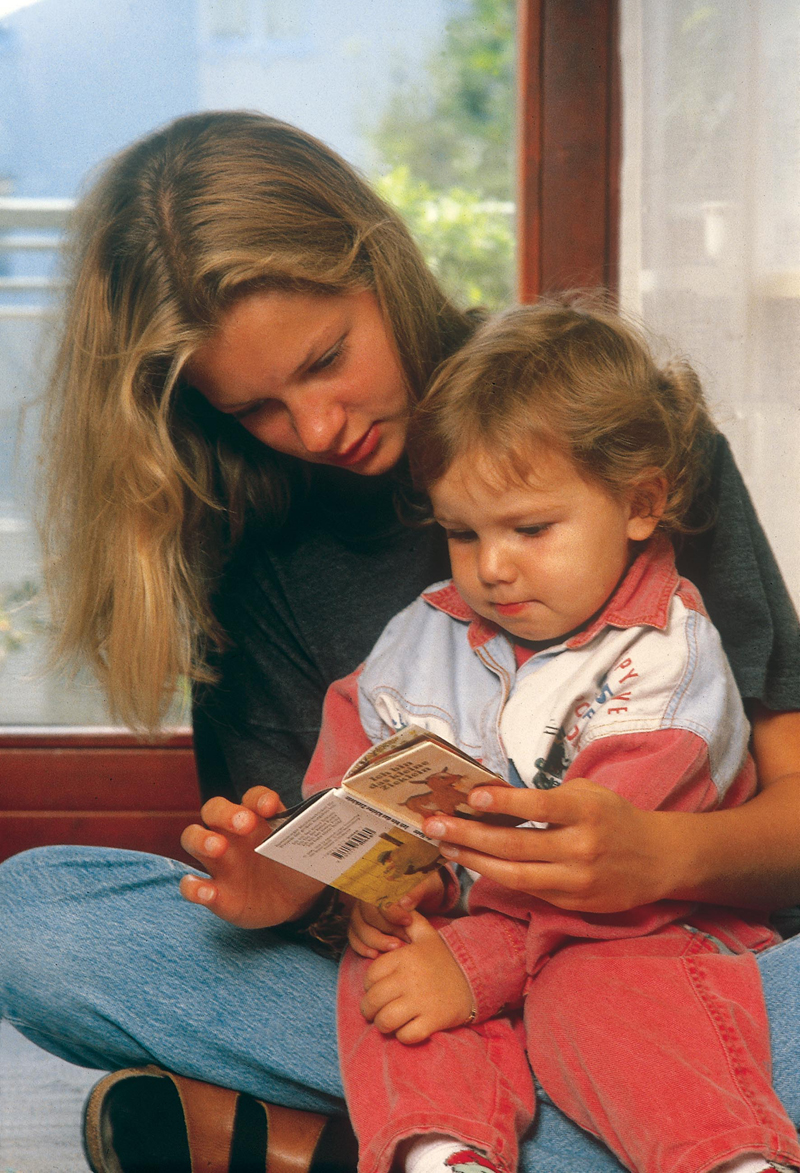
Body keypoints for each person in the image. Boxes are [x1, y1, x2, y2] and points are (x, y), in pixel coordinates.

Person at [0, 110, 798, 1173]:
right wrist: (280, 888)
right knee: (36, 918)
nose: (318, 427)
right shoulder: (261, 551)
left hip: (673, 955)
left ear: (378, 262)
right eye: (258, 409)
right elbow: (343, 911)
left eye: (327, 359)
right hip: (435, 975)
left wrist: (662, 856)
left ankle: (357, 1140)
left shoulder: (603, 419)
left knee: (636, 1000)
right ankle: (663, 1129)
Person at [291, 301, 800, 1173]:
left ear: (641, 505)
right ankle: (443, 1149)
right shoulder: (424, 631)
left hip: (635, 938)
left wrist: (474, 971)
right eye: (462, 532)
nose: (492, 564)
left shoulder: (669, 652)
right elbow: (347, 782)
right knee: (382, 984)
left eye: (530, 528)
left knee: (592, 994)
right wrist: (367, 894)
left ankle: (723, 1155)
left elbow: (588, 877)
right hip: (458, 929)